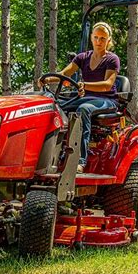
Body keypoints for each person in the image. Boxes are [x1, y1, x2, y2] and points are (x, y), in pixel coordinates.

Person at [39, 22, 120, 173]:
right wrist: (47, 79)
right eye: (96, 37)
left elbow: (107, 85)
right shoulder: (83, 57)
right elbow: (65, 74)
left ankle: (81, 160)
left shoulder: (112, 59)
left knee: (83, 109)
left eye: (103, 38)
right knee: (55, 105)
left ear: (109, 40)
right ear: (91, 38)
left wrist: (85, 85)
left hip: (106, 100)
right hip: (86, 97)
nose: (98, 41)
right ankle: (53, 154)